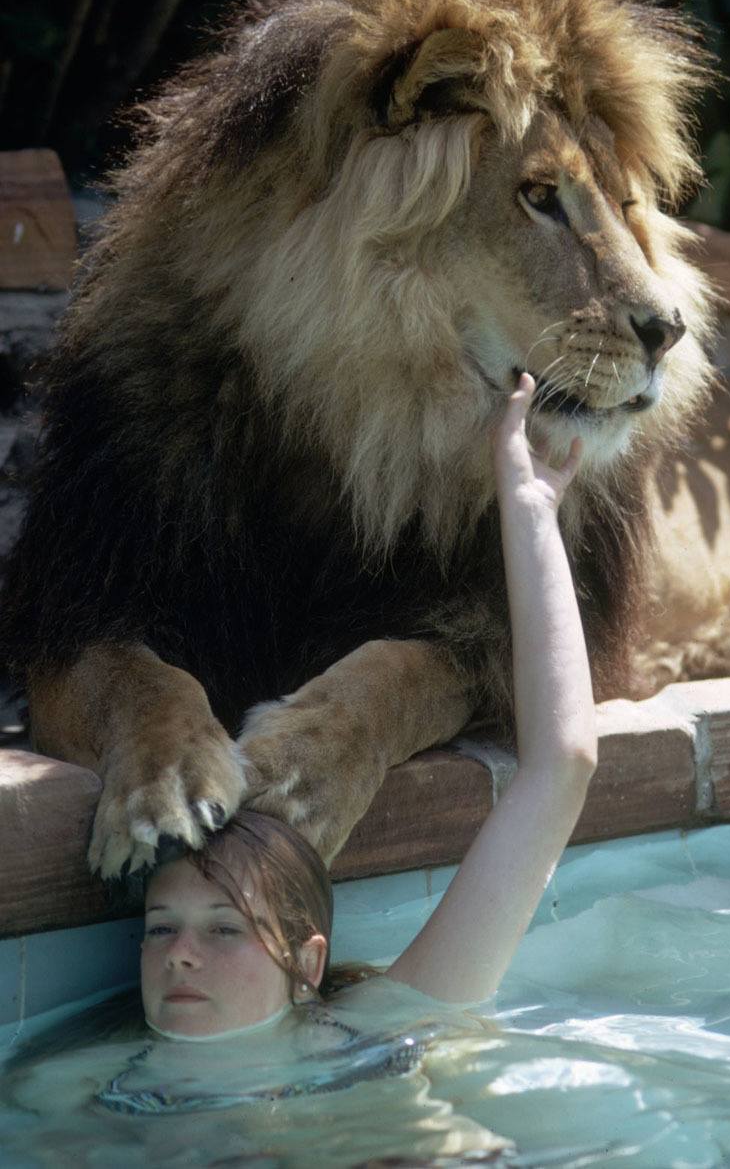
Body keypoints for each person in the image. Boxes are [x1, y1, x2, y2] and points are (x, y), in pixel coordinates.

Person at [3, 374, 597, 1155]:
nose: (179, 952)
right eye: (159, 927)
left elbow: (562, 763)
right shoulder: (71, 1086)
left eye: (224, 929)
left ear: (307, 963)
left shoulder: (380, 1033)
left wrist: (529, 507)